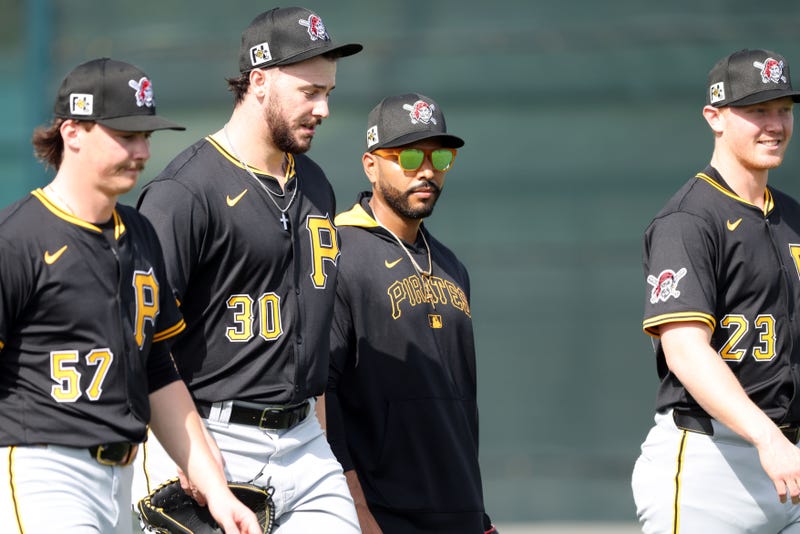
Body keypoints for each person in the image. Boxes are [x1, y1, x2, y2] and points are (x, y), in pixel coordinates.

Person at [0, 58, 261, 533]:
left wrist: (218, 492)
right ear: (72, 132)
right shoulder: (18, 239)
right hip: (43, 471)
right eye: (125, 135)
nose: (141, 150)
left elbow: (158, 369)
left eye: (147, 136)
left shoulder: (139, 232)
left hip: (119, 482)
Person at [132, 6, 363, 532]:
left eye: (328, 92)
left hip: (305, 441)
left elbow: (314, 328)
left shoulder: (316, 183)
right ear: (258, 82)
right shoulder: (185, 193)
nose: (323, 108)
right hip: (212, 437)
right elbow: (139, 342)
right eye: (309, 92)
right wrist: (187, 455)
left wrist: (320, 437)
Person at [632, 48, 800, 532]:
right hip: (712, 467)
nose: (775, 124)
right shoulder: (689, 219)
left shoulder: (792, 217)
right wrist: (768, 439)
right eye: (756, 110)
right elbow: (685, 351)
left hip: (787, 460)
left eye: (783, 109)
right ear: (715, 117)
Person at [325, 93, 497, 534]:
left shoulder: (450, 264)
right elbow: (321, 398)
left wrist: (477, 514)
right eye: (408, 155)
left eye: (439, 156)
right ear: (370, 164)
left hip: (459, 513)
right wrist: (356, 511)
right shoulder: (337, 252)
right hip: (382, 514)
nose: (426, 170)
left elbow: (458, 407)